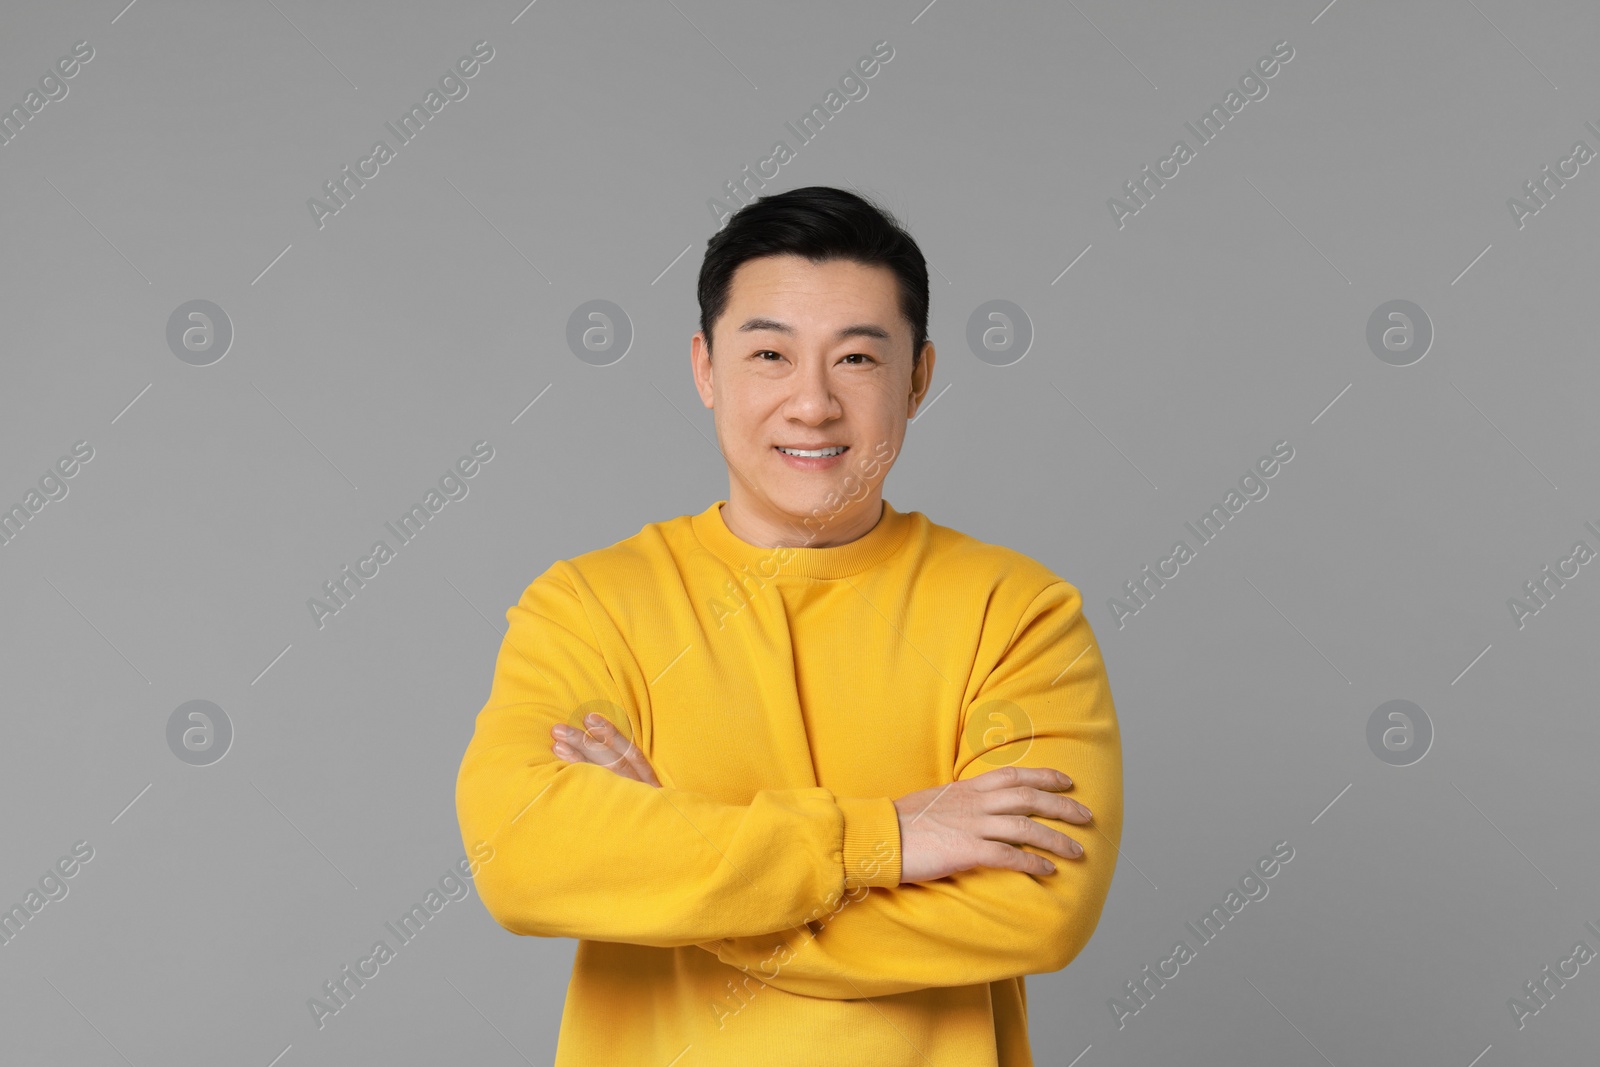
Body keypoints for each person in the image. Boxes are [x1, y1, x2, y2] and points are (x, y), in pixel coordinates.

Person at [455, 185, 1123, 1066]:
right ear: (705, 369)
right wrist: (885, 838)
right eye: (770, 353)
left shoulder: (1017, 612)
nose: (812, 404)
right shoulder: (591, 607)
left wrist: (693, 885)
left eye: (856, 359)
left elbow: (1038, 909)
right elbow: (525, 856)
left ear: (918, 378)